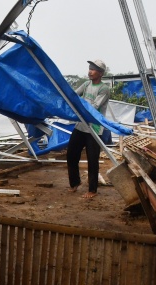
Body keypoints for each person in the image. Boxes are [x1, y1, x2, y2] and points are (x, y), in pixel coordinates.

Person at [66, 59, 110, 199]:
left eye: (94, 69)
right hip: (81, 126)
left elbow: (94, 107)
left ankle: (92, 190)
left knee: (92, 159)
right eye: (90, 68)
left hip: (94, 128)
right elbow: (73, 96)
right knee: (71, 154)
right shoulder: (86, 84)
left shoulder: (104, 88)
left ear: (101, 73)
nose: (90, 71)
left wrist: (79, 105)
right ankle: (75, 183)